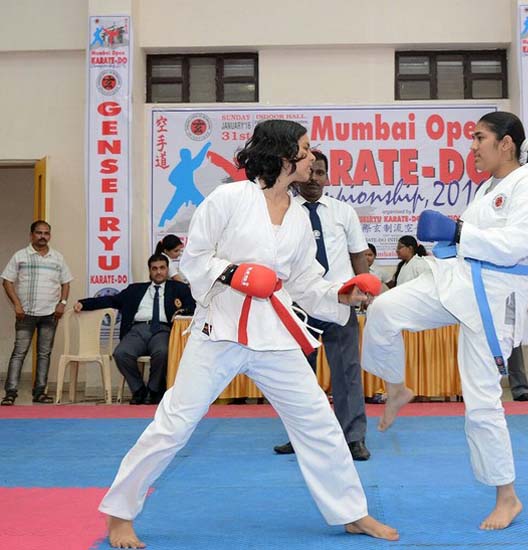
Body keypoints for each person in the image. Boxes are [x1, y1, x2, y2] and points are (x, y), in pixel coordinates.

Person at [98, 119, 398, 548]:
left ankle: (351, 512)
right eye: (306, 148)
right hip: (218, 331)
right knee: (175, 423)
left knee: (318, 421)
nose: (313, 157)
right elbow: (195, 259)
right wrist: (234, 273)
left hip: (272, 334)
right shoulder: (228, 198)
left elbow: (307, 283)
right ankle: (119, 514)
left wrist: (345, 294)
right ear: (283, 155)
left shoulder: (297, 215)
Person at [361, 111, 528, 530]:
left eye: (478, 138)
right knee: (383, 309)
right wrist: (453, 236)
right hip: (461, 280)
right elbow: (470, 241)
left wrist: (458, 231)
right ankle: (396, 387)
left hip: (496, 295)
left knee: (482, 398)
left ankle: (508, 496)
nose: (472, 147)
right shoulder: (489, 186)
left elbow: (518, 245)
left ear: (505, 143)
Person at [274, 149, 371, 460]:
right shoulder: (285, 212)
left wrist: (364, 288)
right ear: (299, 174)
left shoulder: (344, 212)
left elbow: (358, 254)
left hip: (341, 301)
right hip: (299, 304)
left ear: (328, 176)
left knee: (348, 373)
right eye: (310, 171)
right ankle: (301, 436)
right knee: (298, 376)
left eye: (320, 173)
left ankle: (353, 437)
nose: (314, 178)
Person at [74, 254, 195, 405]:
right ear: (149, 271)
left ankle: (153, 390)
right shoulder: (135, 289)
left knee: (163, 352)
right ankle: (139, 390)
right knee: (121, 353)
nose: (158, 272)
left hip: (162, 330)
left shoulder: (179, 288)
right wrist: (84, 304)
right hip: (137, 330)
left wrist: (182, 311)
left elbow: (193, 305)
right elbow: (111, 300)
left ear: (167, 269)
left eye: (162, 268)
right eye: (154, 269)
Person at [1, 221, 72, 406]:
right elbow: (7, 281)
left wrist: (62, 303)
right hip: (26, 314)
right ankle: (10, 393)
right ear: (31, 235)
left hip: (50, 314)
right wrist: (17, 305)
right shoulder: (21, 256)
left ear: (50, 235)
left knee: (44, 354)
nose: (43, 236)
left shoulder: (57, 258)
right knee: (19, 353)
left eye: (46, 233)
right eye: (39, 233)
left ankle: (39, 392)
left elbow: (66, 282)